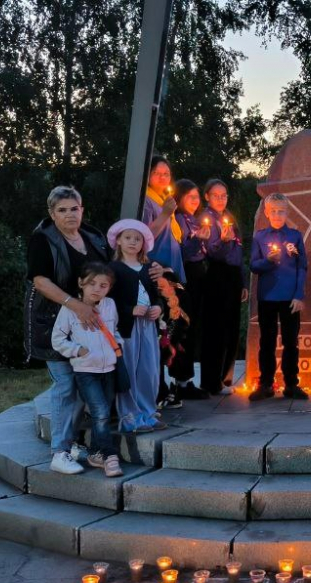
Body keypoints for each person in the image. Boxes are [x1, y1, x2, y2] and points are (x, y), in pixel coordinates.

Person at [24, 185, 110, 475]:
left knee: (84, 384)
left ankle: (72, 442)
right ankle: (59, 453)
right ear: (52, 213)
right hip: (52, 322)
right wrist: (76, 305)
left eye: (74, 208)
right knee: (65, 385)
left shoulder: (93, 236)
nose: (70, 214)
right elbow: (40, 282)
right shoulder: (43, 240)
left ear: (82, 209)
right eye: (62, 210)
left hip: (87, 326)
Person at [142, 158, 208, 406]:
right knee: (167, 331)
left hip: (174, 275)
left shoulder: (163, 202)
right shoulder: (148, 202)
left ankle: (179, 382)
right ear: (147, 176)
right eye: (157, 173)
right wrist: (167, 213)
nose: (162, 177)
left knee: (179, 328)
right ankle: (164, 387)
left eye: (166, 173)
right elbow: (144, 237)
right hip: (158, 275)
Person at [50, 262, 123, 477]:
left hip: (108, 368)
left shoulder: (109, 305)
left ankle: (94, 453)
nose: (96, 289)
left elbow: (114, 330)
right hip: (85, 370)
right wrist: (77, 350)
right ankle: (109, 455)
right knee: (100, 412)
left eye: (103, 285)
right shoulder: (70, 310)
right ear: (81, 283)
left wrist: (117, 348)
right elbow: (57, 339)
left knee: (104, 412)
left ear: (109, 288)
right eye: (91, 283)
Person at [248, 193, 310, 401]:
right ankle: (266, 383)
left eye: (281, 211)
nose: (277, 214)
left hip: (290, 298)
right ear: (266, 213)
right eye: (273, 211)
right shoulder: (259, 236)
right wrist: (268, 261)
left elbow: (302, 267)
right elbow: (253, 266)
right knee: (267, 341)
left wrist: (299, 295)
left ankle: (291, 384)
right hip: (267, 297)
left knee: (291, 342)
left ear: (287, 212)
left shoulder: (295, 236)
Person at [108, 219, 167, 433]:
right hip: (127, 328)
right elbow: (108, 300)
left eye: (137, 238)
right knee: (130, 369)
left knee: (149, 369)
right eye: (128, 238)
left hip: (148, 326)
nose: (133, 242)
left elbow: (157, 295)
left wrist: (159, 308)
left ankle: (148, 413)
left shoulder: (150, 268)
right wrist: (129, 310)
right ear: (119, 241)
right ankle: (130, 417)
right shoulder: (113, 269)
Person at [158, 178, 211, 407]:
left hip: (197, 276)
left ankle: (185, 379)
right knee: (183, 327)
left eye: (197, 196)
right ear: (178, 199)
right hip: (185, 276)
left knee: (192, 326)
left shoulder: (192, 220)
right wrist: (196, 240)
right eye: (190, 196)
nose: (195, 200)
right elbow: (183, 253)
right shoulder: (177, 219)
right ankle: (180, 381)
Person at [199, 179, 247, 396]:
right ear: (207, 196)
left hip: (233, 276)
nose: (220, 199)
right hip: (217, 275)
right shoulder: (205, 219)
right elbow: (213, 253)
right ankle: (211, 381)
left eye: (224, 195)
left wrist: (243, 281)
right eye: (216, 195)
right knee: (215, 329)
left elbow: (239, 252)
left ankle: (224, 378)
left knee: (231, 327)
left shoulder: (229, 218)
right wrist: (225, 241)